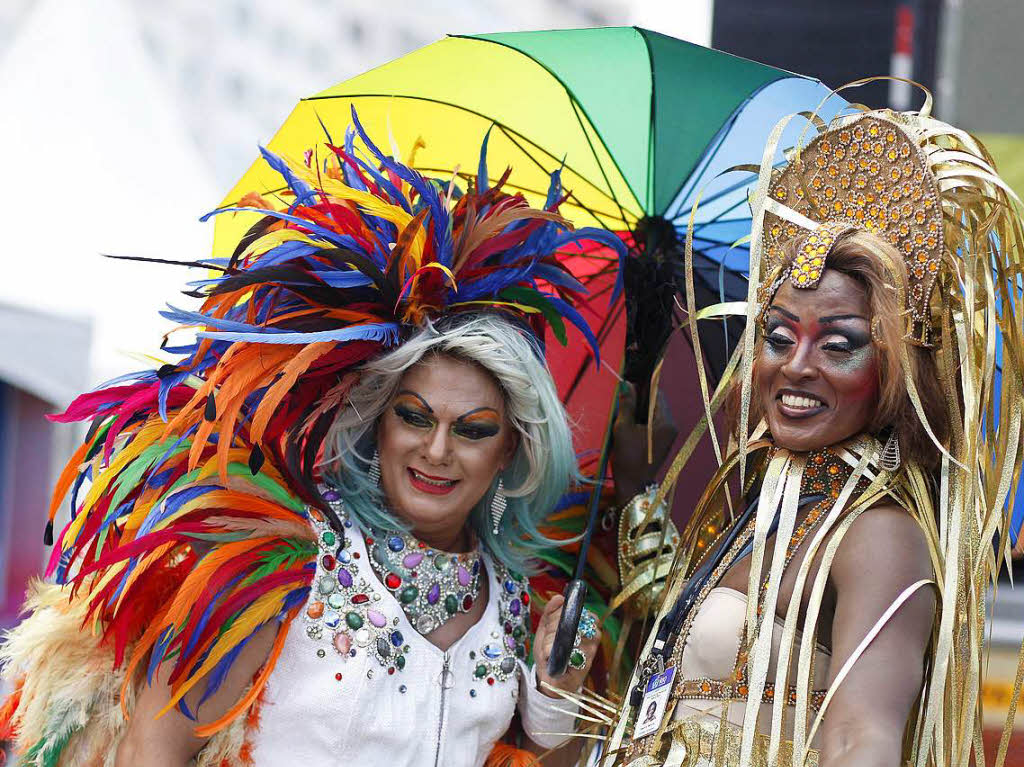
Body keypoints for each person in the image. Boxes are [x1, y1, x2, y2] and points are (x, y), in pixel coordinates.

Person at [0, 121, 624, 766]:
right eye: (415, 417)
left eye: (473, 431)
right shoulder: (279, 565)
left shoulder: (520, 607)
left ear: (510, 452)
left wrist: (555, 701)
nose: (437, 450)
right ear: (377, 423)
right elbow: (151, 754)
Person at [601, 100, 1024, 766]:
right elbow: (672, 665)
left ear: (894, 368)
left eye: (838, 344)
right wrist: (637, 482)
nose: (796, 366)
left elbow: (862, 737)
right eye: (777, 336)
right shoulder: (766, 504)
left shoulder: (879, 532)